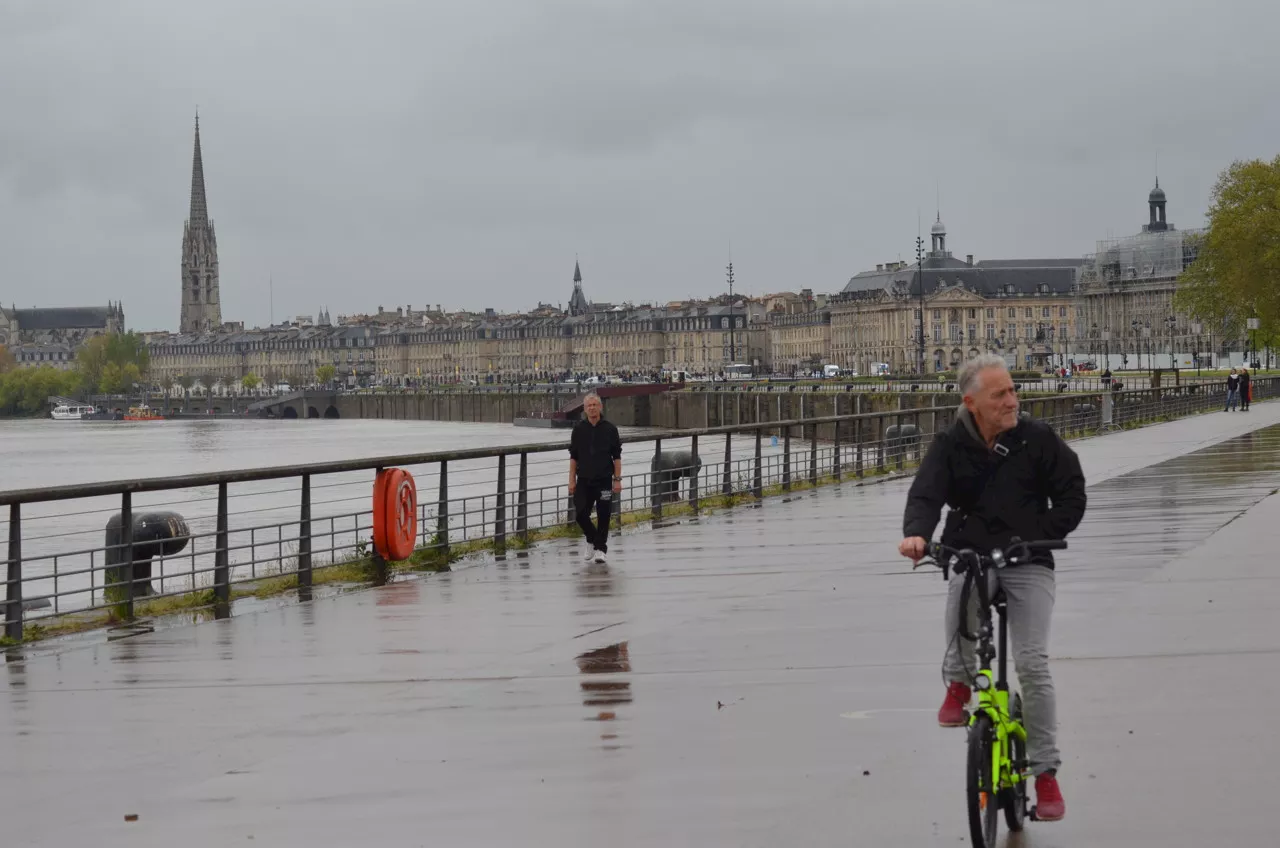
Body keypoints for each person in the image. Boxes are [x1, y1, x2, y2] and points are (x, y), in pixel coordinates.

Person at [898, 354, 1086, 823]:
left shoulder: (1038, 440)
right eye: (999, 394)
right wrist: (918, 534)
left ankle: (1045, 773)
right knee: (960, 604)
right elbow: (926, 494)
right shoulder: (950, 444)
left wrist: (1041, 531)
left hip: (1029, 558)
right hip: (974, 553)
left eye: (1012, 390)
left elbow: (1072, 493)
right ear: (972, 403)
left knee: (1032, 664)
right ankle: (959, 684)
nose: (1011, 400)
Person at [569, 393, 622, 564]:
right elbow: (573, 457)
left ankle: (600, 549)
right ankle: (592, 540)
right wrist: (571, 480)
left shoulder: (610, 429)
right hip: (584, 478)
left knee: (604, 513)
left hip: (604, 479)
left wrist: (617, 479)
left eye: (594, 405)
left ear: (600, 407)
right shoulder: (578, 429)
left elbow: (617, 457)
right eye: (588, 406)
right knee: (581, 513)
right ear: (584, 409)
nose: (592, 408)